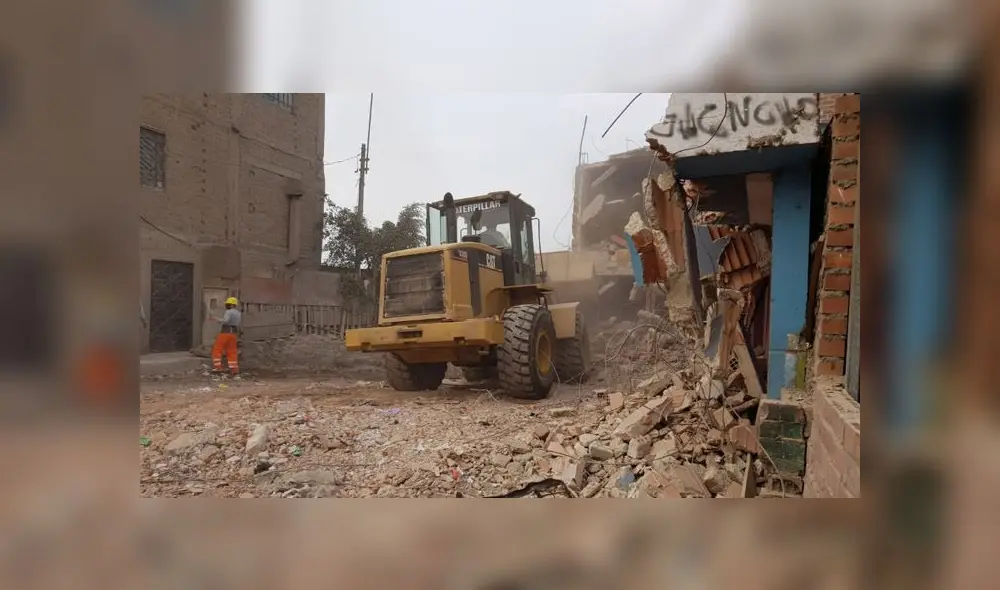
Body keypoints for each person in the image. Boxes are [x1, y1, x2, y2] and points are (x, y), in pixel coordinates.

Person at [210, 296, 242, 375]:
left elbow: (225, 321)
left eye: (227, 304)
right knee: (232, 351)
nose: (226, 305)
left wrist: (215, 319)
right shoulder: (238, 313)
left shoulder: (229, 312)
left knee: (217, 349)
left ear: (231, 305)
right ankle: (234, 369)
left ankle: (217, 367)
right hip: (233, 334)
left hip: (225, 332)